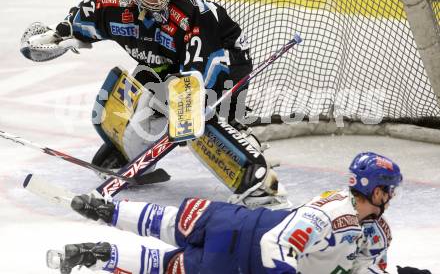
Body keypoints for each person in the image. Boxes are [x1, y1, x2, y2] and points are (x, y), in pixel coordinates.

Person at [20, 0, 288, 208]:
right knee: (143, 89)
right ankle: (129, 154)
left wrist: (188, 105)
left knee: (196, 118)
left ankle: (256, 179)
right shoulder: (111, 3)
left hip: (225, 58)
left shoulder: (189, 13)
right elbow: (78, 22)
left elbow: (204, 62)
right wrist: (55, 37)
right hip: (166, 59)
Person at [46, 151, 431, 274]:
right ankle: (104, 213)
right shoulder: (331, 211)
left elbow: (366, 270)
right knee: (168, 239)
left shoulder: (377, 233)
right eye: (389, 189)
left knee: (167, 263)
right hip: (239, 246)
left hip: (231, 234)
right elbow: (277, 244)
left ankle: (96, 251)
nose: (392, 196)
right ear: (374, 188)